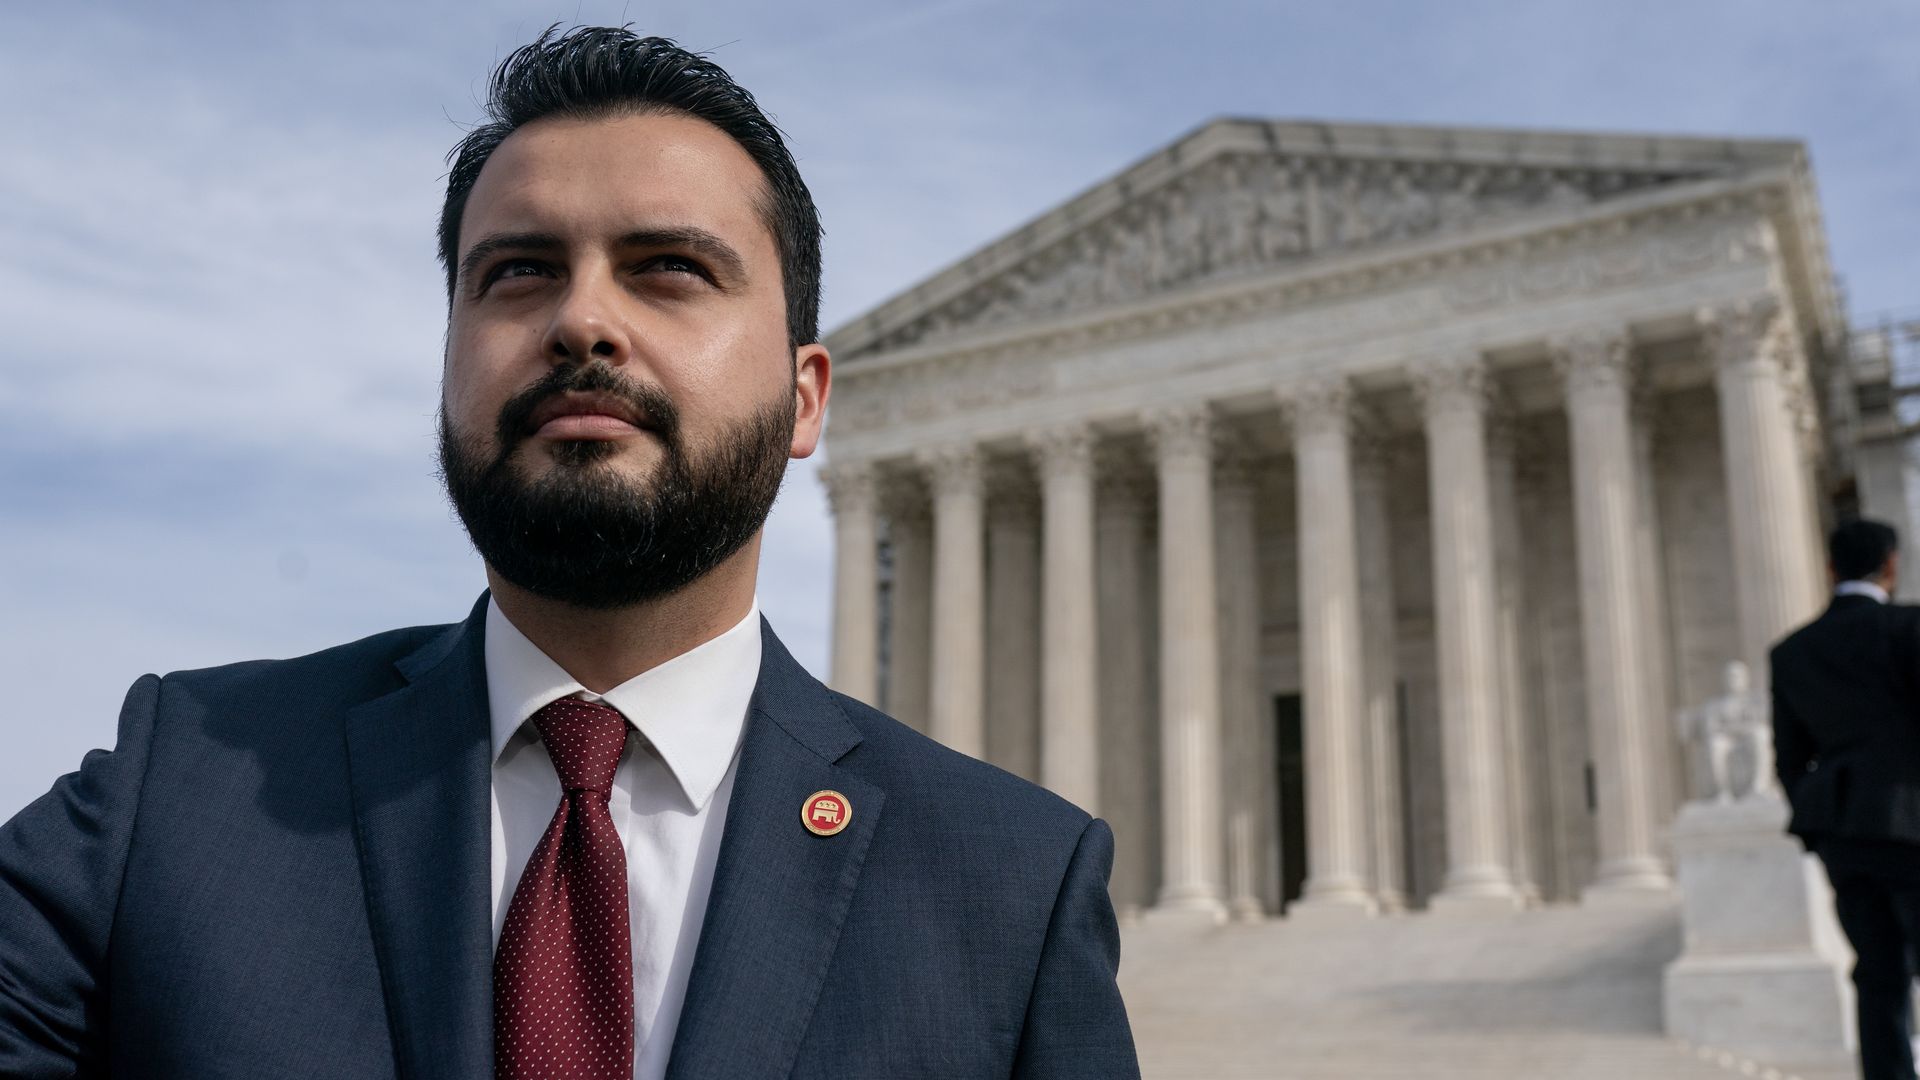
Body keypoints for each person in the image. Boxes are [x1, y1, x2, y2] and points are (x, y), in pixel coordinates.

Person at [0, 27, 1139, 1080]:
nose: (582, 319)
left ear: (806, 401)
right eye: (519, 272)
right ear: (448, 362)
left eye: (669, 269)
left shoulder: (1008, 891)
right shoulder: (188, 788)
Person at [1772, 517, 1920, 1080]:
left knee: (1877, 974)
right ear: (1891, 565)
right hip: (1912, 821)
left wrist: (1819, 823)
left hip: (1844, 832)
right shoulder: (1908, 628)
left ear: (1829, 569)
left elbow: (1789, 759)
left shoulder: (1792, 652)